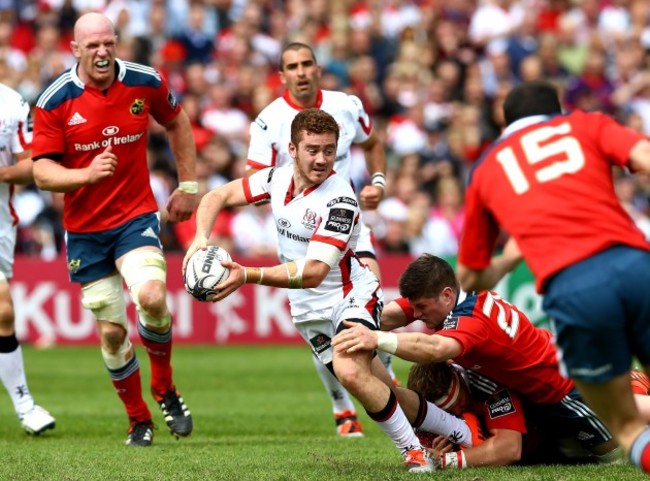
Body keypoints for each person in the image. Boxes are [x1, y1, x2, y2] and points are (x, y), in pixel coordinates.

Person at [184, 108, 477, 472]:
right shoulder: (274, 179)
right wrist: (199, 240)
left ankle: (414, 454)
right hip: (308, 312)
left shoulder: (340, 201)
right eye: (312, 149)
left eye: (328, 149)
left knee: (351, 372)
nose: (321, 158)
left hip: (350, 295)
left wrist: (246, 275)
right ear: (291, 148)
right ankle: (462, 431)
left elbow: (314, 272)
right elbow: (217, 197)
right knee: (384, 389)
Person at [454, 80, 650, 474]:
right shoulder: (586, 125)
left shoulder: (488, 168)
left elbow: (470, 277)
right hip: (636, 268)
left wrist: (507, 262)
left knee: (626, 425)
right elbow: (644, 155)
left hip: (575, 289)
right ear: (558, 109)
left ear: (502, 119)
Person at [31, 12, 195, 447]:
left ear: (116, 42)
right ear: (76, 50)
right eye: (93, 46)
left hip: (135, 215)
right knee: (111, 332)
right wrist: (85, 176)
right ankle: (138, 418)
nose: (102, 52)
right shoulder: (54, 100)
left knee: (153, 297)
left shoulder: (145, 81)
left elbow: (178, 122)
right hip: (84, 230)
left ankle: (164, 386)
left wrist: (189, 185)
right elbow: (43, 173)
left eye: (109, 43)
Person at [332, 253, 622, 465]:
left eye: (421, 308)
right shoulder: (454, 294)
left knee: (613, 454)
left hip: (562, 389)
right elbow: (393, 314)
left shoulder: (472, 322)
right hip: (536, 380)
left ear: (446, 295)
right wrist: (358, 321)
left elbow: (433, 348)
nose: (417, 315)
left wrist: (376, 339)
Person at [245, 41, 394, 437]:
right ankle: (342, 405)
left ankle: (388, 386)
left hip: (349, 223)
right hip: (300, 234)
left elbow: (373, 143)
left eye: (307, 63)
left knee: (369, 300)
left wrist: (378, 181)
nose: (301, 71)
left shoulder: (347, 105)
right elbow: (257, 184)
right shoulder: (267, 121)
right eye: (292, 66)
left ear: (318, 68)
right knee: (322, 327)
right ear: (282, 76)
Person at [409, 362, 650, 469]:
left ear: (458, 376)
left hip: (597, 396)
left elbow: (508, 449)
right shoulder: (439, 408)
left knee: (625, 434)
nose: (458, 412)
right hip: (562, 436)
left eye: (459, 403)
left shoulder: (488, 383)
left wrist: (447, 461)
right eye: (450, 412)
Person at [0, 82, 56, 435]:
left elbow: (32, 165)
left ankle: (25, 405)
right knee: (3, 308)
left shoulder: (10, 105)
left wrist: (2, 174)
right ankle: (25, 405)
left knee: (3, 314)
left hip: (0, 225)